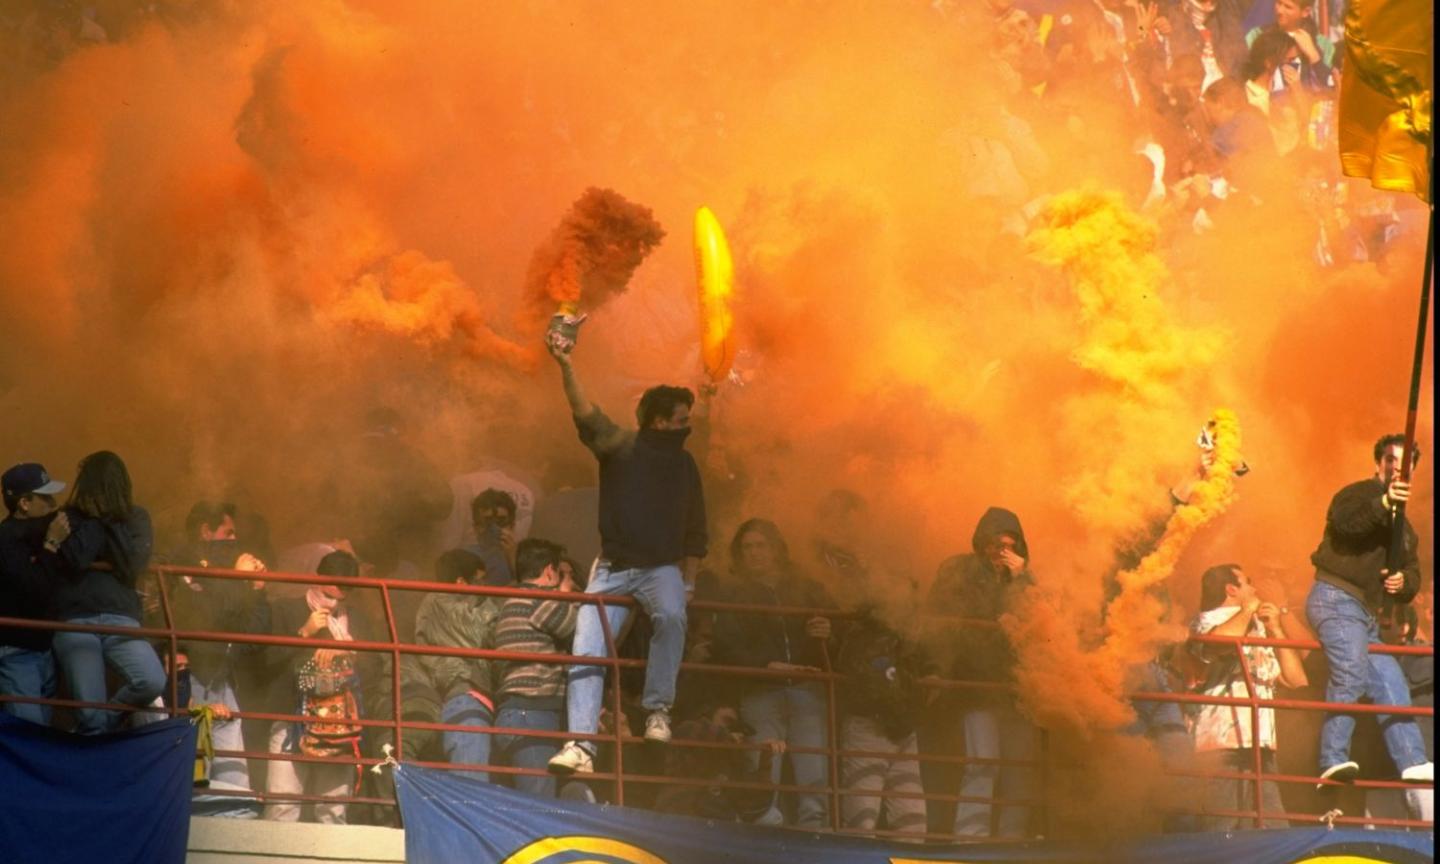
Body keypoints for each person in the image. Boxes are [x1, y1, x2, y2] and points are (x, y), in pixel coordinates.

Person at [544, 319, 707, 775]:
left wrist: (689, 581)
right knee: (587, 646)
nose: (687, 425)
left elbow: (697, 527)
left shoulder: (685, 464)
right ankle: (580, 745)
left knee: (673, 616)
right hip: (614, 568)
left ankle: (657, 711)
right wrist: (565, 363)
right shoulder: (621, 447)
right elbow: (585, 411)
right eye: (681, 418)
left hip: (660, 569)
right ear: (659, 420)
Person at [1306, 434, 1432, 787]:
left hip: (1367, 615)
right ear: (1378, 463)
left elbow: (1413, 573)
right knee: (1350, 672)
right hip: (1335, 597)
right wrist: (1384, 503)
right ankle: (1332, 760)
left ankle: (1412, 760)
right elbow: (1348, 524)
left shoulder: (1405, 528)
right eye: (1390, 460)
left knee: (1391, 680)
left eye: (1404, 463)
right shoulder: (1356, 495)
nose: (1396, 468)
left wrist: (1402, 583)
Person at [711, 519, 837, 829]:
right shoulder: (732, 594)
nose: (754, 553)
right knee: (764, 785)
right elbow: (727, 646)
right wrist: (768, 665)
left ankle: (816, 849)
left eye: (761, 545)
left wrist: (827, 631)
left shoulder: (808, 589)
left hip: (807, 692)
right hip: (760, 695)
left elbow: (842, 636)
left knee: (815, 786)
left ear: (777, 549)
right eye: (747, 547)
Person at [927, 506, 1038, 839]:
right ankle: (969, 841)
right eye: (994, 544)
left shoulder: (1025, 579)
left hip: (1016, 692)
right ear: (981, 543)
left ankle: (1011, 844)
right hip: (976, 687)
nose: (1001, 552)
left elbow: (1042, 621)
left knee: (1020, 770)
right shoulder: (959, 571)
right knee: (983, 764)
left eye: (1009, 545)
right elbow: (941, 621)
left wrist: (1021, 580)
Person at [49, 451, 166, 734]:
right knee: (90, 713)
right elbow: (76, 558)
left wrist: (109, 519)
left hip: (121, 619)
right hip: (76, 620)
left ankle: (101, 729)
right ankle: (96, 742)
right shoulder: (67, 517)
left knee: (151, 680)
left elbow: (132, 564)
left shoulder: (136, 517)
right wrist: (95, 520)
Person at [1186, 564, 1307, 829]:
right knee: (1222, 830)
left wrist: (1275, 628)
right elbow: (1218, 643)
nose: (1255, 588)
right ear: (1231, 588)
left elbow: (1296, 679)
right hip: (1220, 747)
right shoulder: (1206, 620)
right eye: (1248, 582)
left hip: (1261, 746)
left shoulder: (1258, 627)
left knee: (1273, 829)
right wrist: (1248, 608)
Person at [164, 499, 272, 792]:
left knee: (235, 778)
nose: (235, 540)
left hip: (222, 680)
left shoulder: (227, 578)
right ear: (205, 531)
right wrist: (238, 577)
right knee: (191, 775)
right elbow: (208, 614)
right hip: (192, 679)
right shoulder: (183, 563)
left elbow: (254, 635)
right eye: (228, 533)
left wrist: (258, 590)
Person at [263, 551, 374, 823]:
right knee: (282, 805)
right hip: (291, 718)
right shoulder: (284, 609)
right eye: (331, 590)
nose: (337, 599)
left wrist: (347, 650)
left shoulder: (359, 620)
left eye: (345, 591)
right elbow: (266, 662)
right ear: (316, 579)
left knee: (334, 810)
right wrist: (304, 633)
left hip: (341, 724)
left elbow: (377, 667)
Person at [399, 548, 499, 775]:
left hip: (466, 699)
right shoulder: (438, 602)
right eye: (480, 581)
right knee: (470, 786)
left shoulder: (438, 604)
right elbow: (481, 630)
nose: (486, 587)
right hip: (464, 700)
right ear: (461, 582)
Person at [834, 610, 929, 838]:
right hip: (869, 727)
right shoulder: (861, 635)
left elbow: (923, 669)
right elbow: (860, 678)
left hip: (902, 729)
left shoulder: (909, 639)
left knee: (913, 825)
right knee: (862, 822)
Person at [494, 538, 577, 796]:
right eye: (564, 573)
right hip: (531, 715)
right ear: (550, 571)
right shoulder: (542, 599)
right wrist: (566, 593)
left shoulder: (512, 601)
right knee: (539, 802)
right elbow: (581, 631)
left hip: (517, 713)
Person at [0, 462, 67, 725]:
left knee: (39, 731)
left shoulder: (29, 535)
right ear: (24, 503)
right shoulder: (5, 540)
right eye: (45, 497)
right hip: (16, 652)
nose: (52, 503)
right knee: (29, 733)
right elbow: (32, 588)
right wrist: (51, 545)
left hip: (42, 650)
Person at [465, 488, 519, 587]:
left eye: (501, 521)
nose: (494, 528)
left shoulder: (527, 559)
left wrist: (513, 560)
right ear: (476, 527)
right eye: (487, 521)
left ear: (512, 525)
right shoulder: (463, 558)